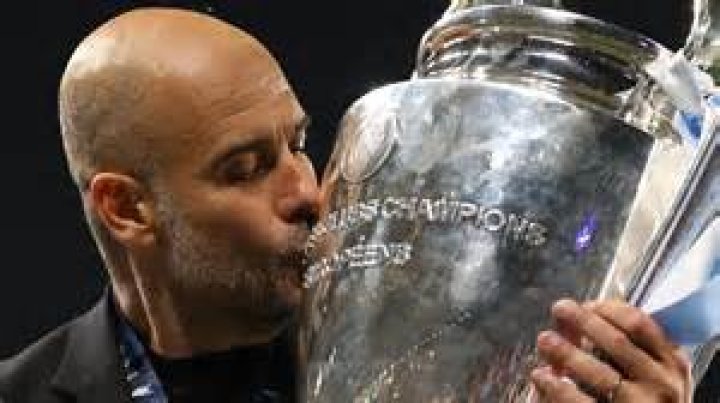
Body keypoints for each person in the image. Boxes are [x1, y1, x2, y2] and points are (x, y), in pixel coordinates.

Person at [0, 7, 692, 403]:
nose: (308, 192)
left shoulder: (451, 346)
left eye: (299, 144)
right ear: (126, 208)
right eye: (246, 169)